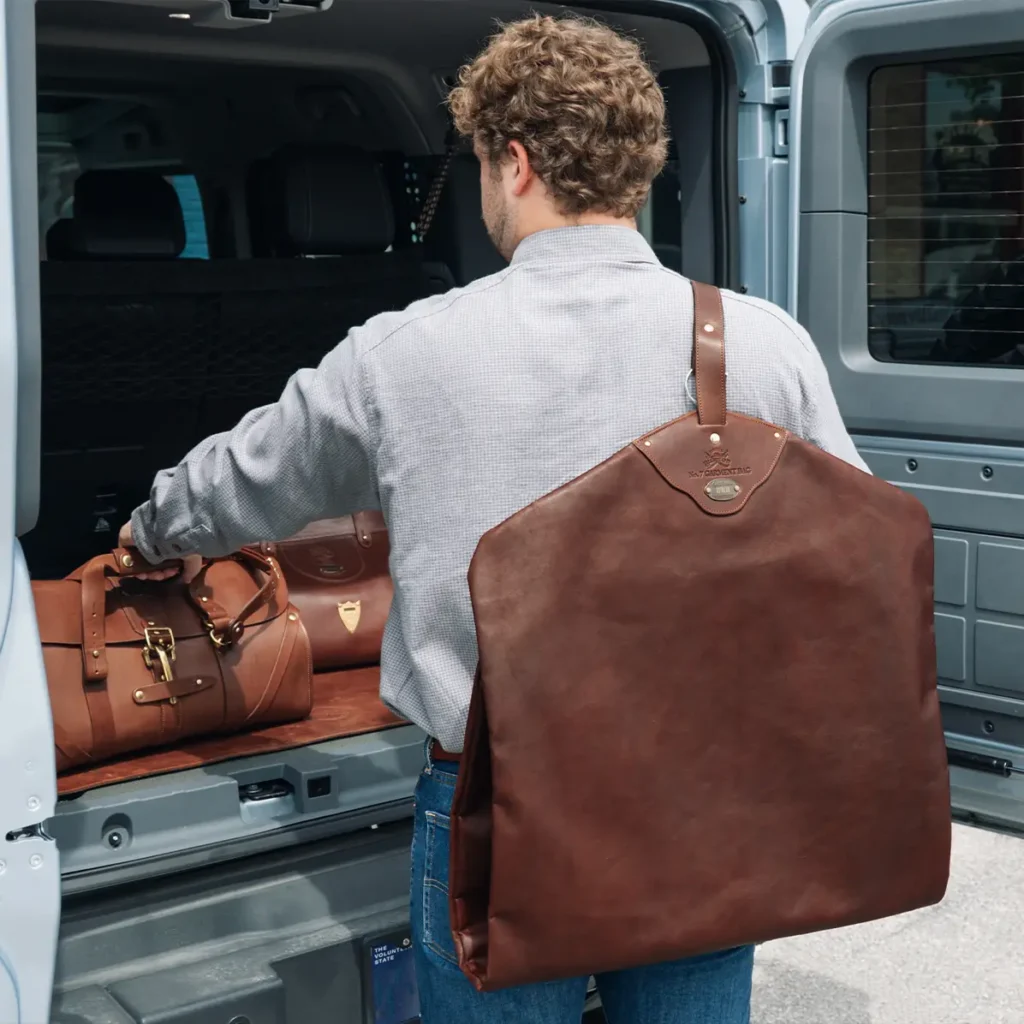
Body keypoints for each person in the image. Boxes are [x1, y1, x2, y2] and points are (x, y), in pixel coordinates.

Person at [120, 14, 868, 1023]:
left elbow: (241, 482)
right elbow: (850, 556)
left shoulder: (402, 352)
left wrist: (147, 530)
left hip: (498, 811)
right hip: (706, 798)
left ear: (512, 162)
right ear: (635, 170)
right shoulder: (762, 343)